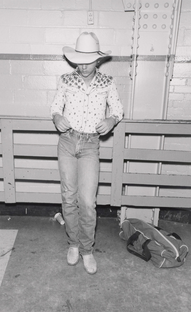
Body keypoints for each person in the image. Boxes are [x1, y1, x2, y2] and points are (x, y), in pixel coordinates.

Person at [50, 32, 124, 275]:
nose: (83, 65)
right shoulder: (65, 80)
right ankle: (73, 244)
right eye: (79, 60)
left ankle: (87, 249)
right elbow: (55, 107)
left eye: (88, 60)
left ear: (98, 60)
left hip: (90, 144)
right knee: (69, 197)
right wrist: (58, 117)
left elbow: (118, 109)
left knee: (87, 201)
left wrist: (111, 120)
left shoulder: (107, 82)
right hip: (67, 141)